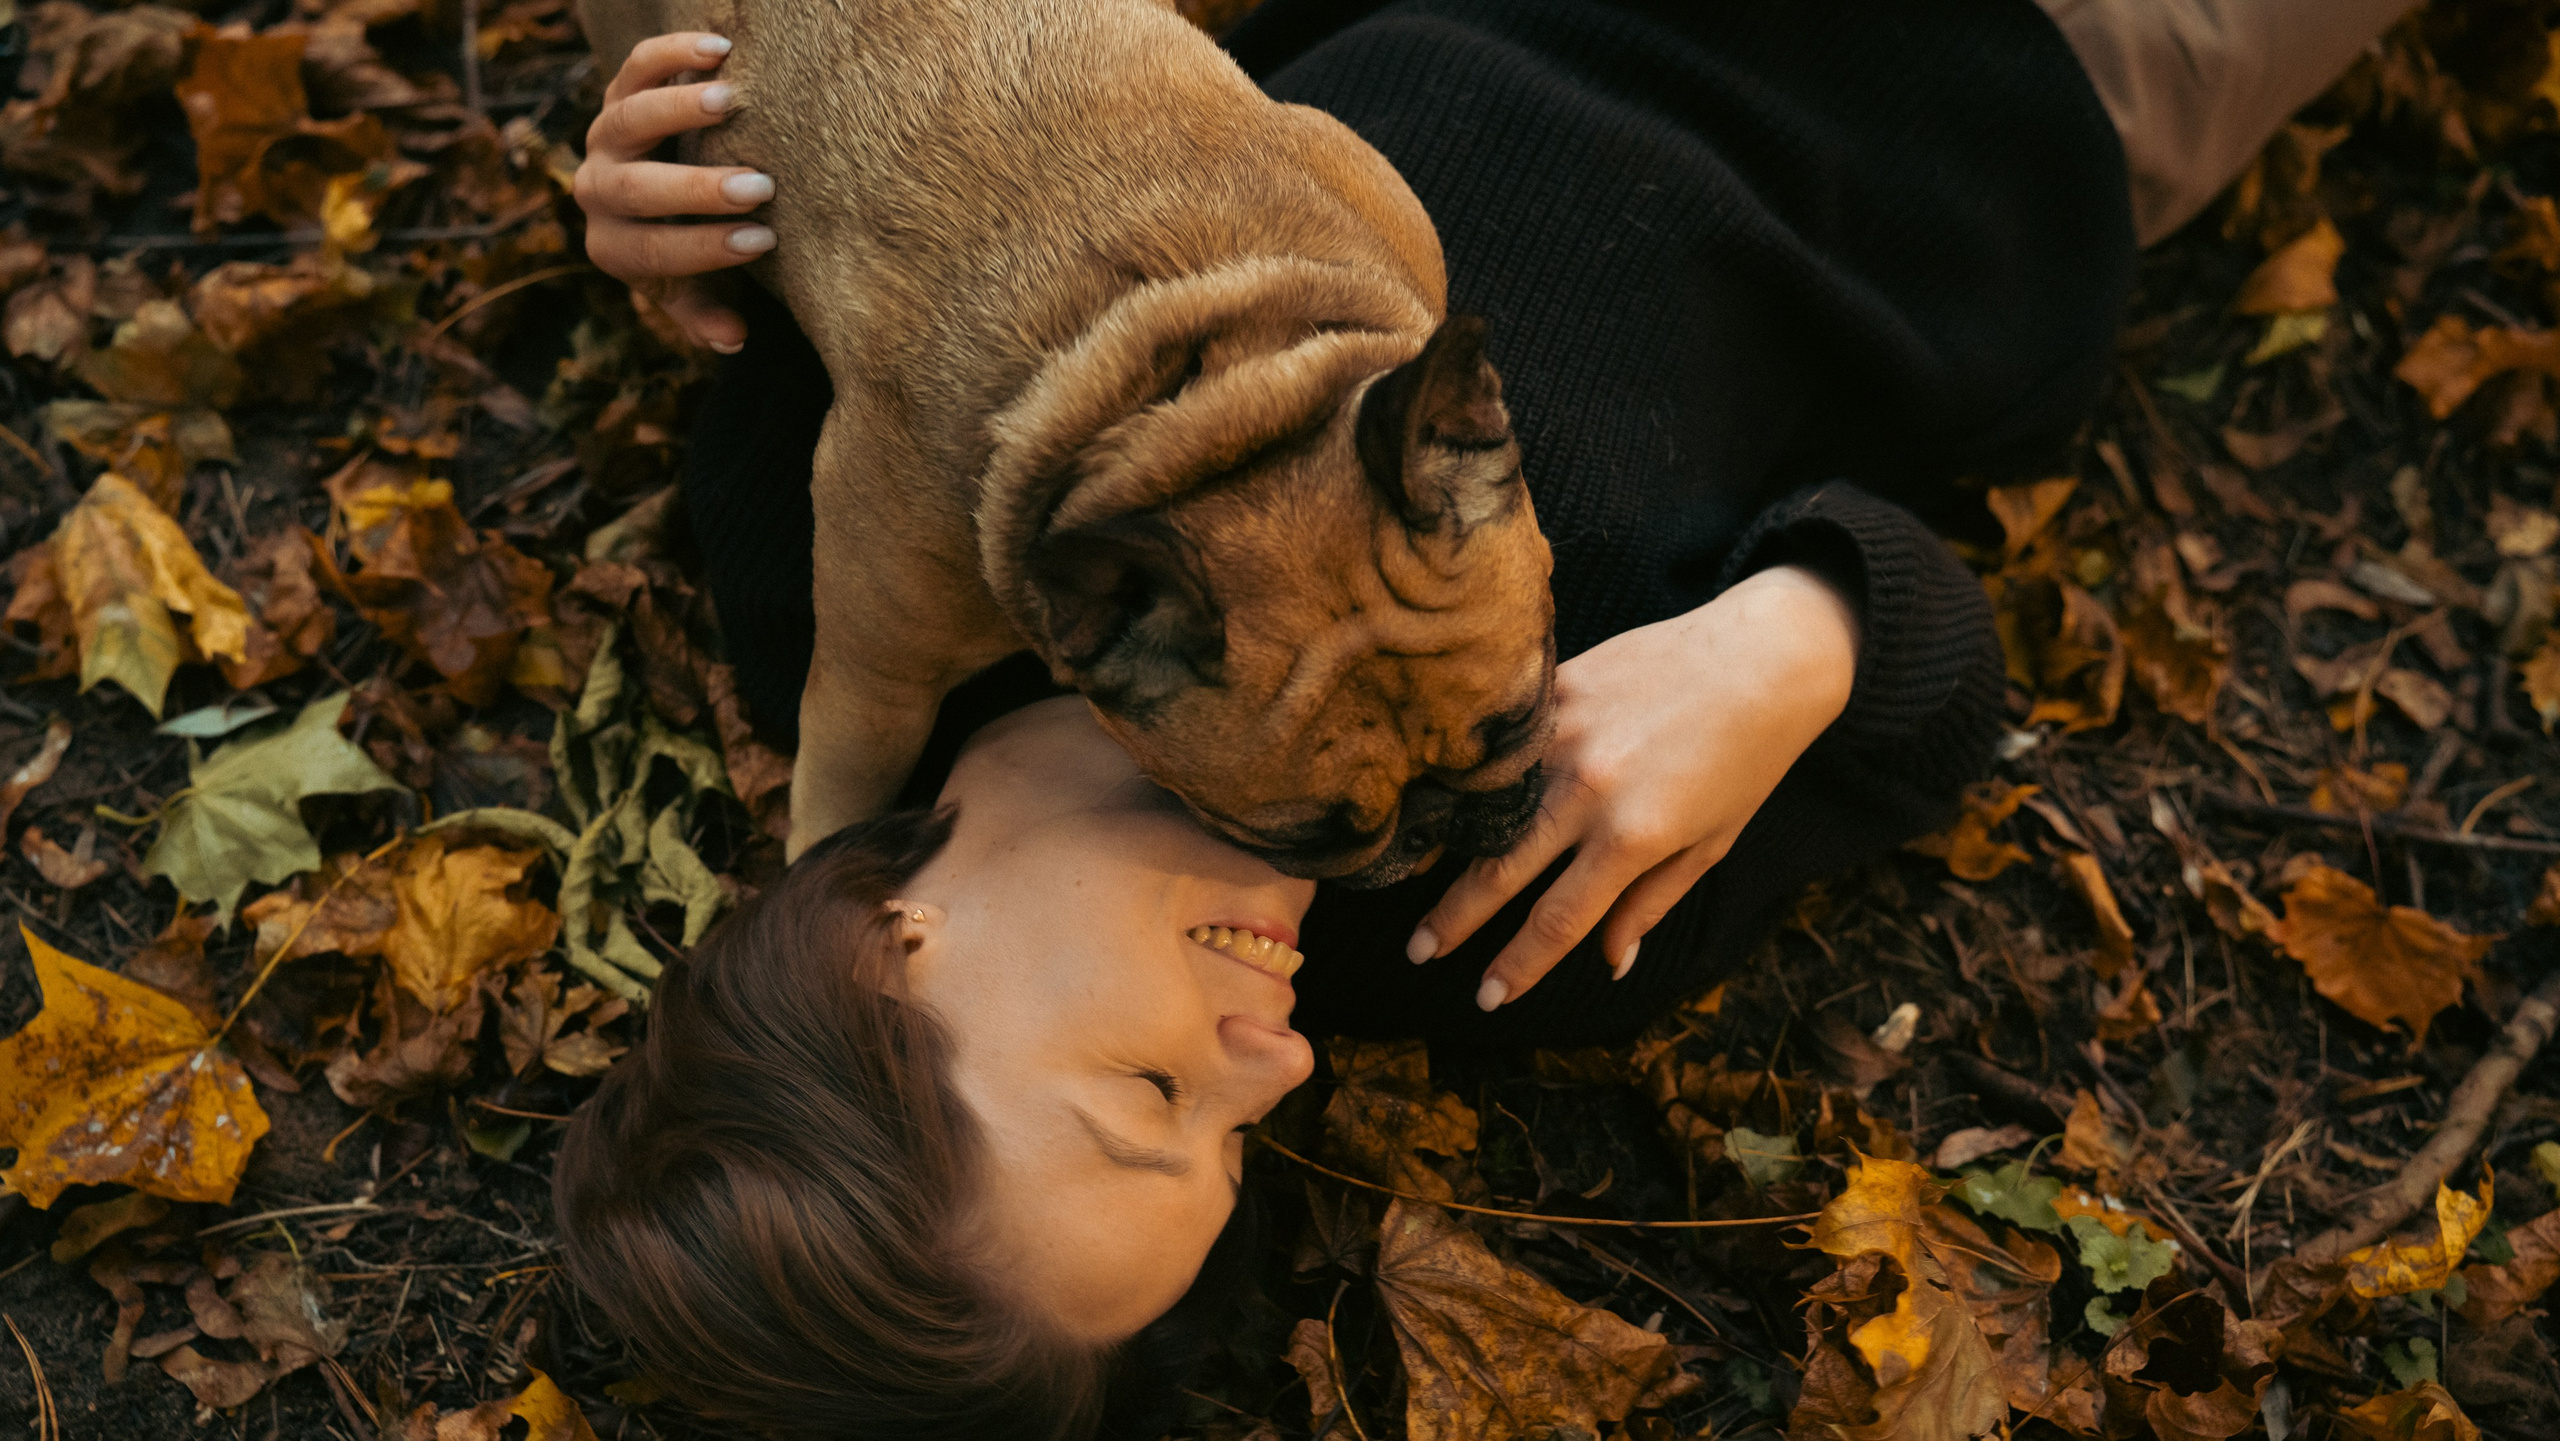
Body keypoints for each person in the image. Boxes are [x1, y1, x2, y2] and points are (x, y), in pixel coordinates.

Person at [552, 2, 2416, 1438]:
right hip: (2000, 92)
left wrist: (662, 214)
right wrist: (1790, 646)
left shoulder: (826, 570)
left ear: (891, 948)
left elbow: (826, 129)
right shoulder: (1513, 918)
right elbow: (1946, 666)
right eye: (1236, 1145)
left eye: (1151, 1098)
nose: (1275, 1069)